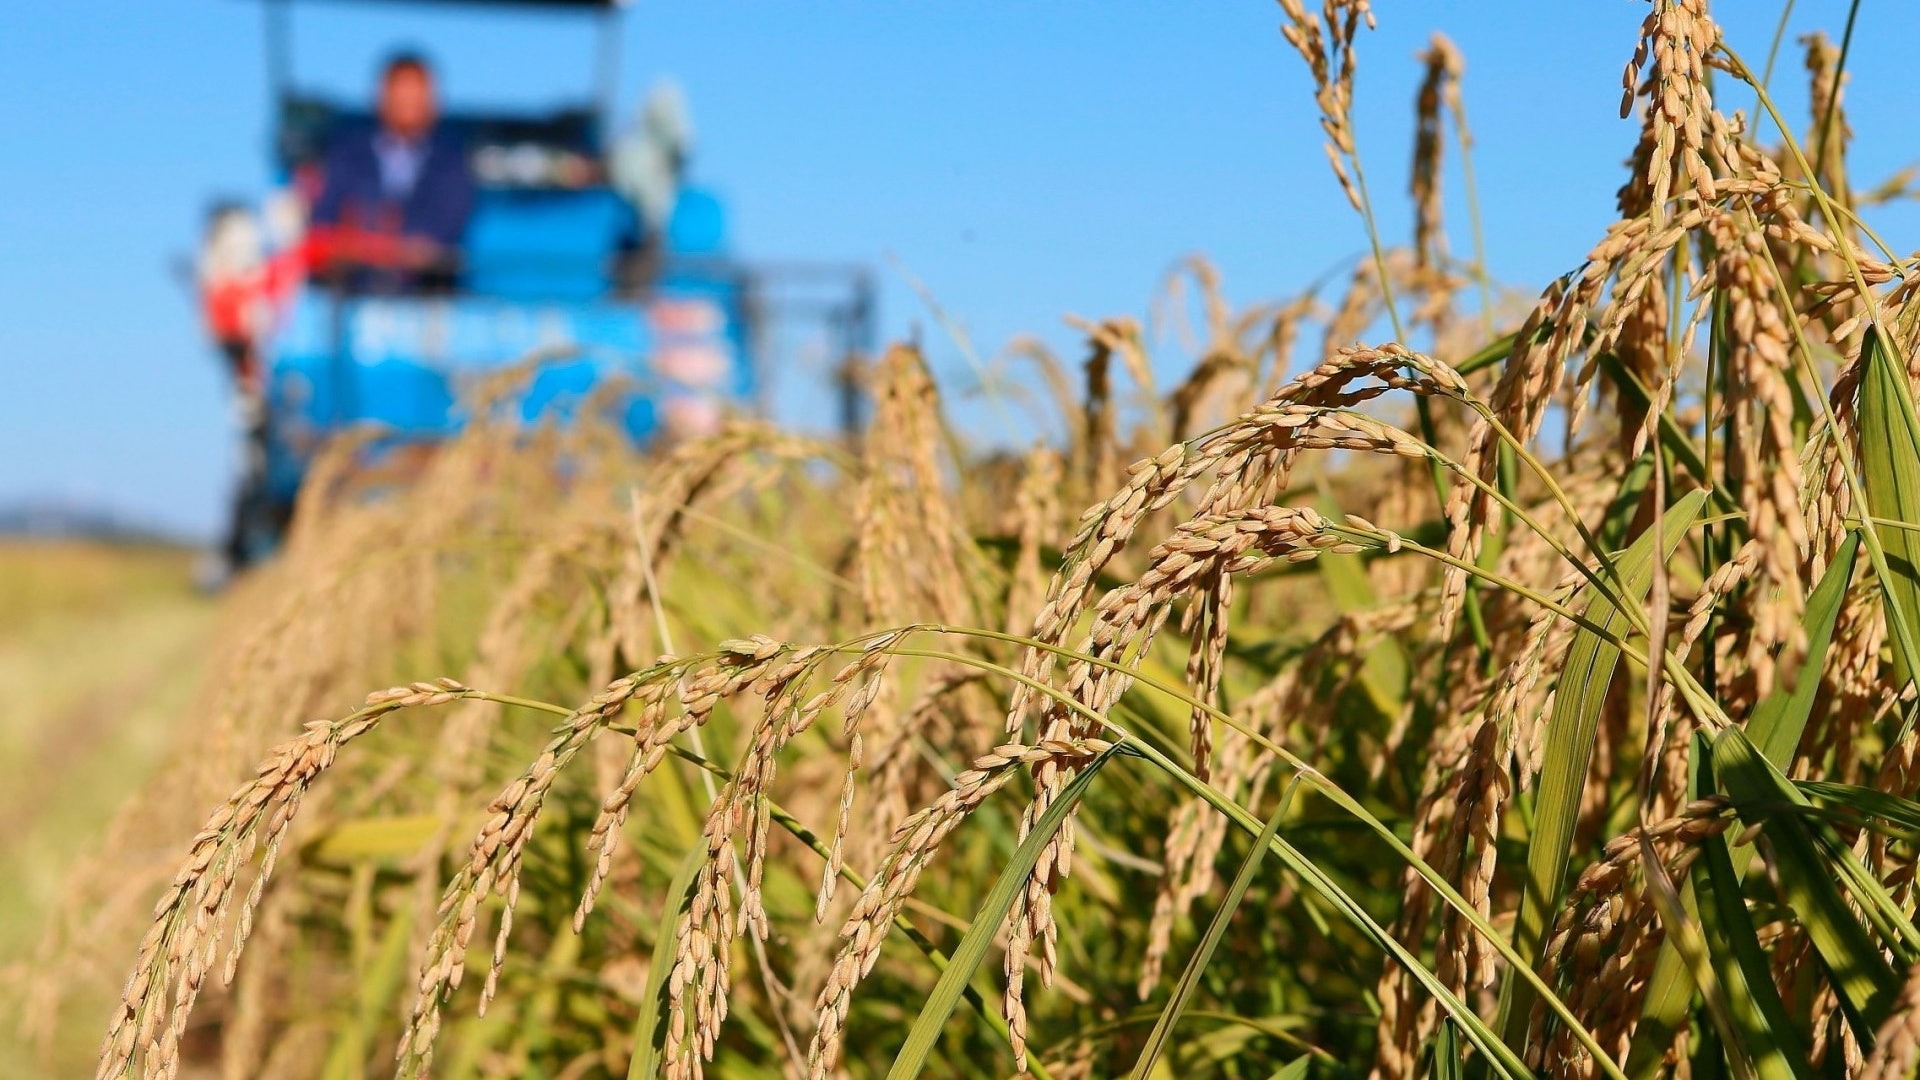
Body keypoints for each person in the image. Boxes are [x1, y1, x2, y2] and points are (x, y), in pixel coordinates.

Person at [311, 52, 474, 290]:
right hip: (350, 291)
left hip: (424, 294)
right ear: (382, 96)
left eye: (417, 95)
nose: (408, 104)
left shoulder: (452, 160)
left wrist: (408, 250)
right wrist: (366, 248)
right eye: (401, 94)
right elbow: (324, 219)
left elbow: (448, 224)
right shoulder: (345, 152)